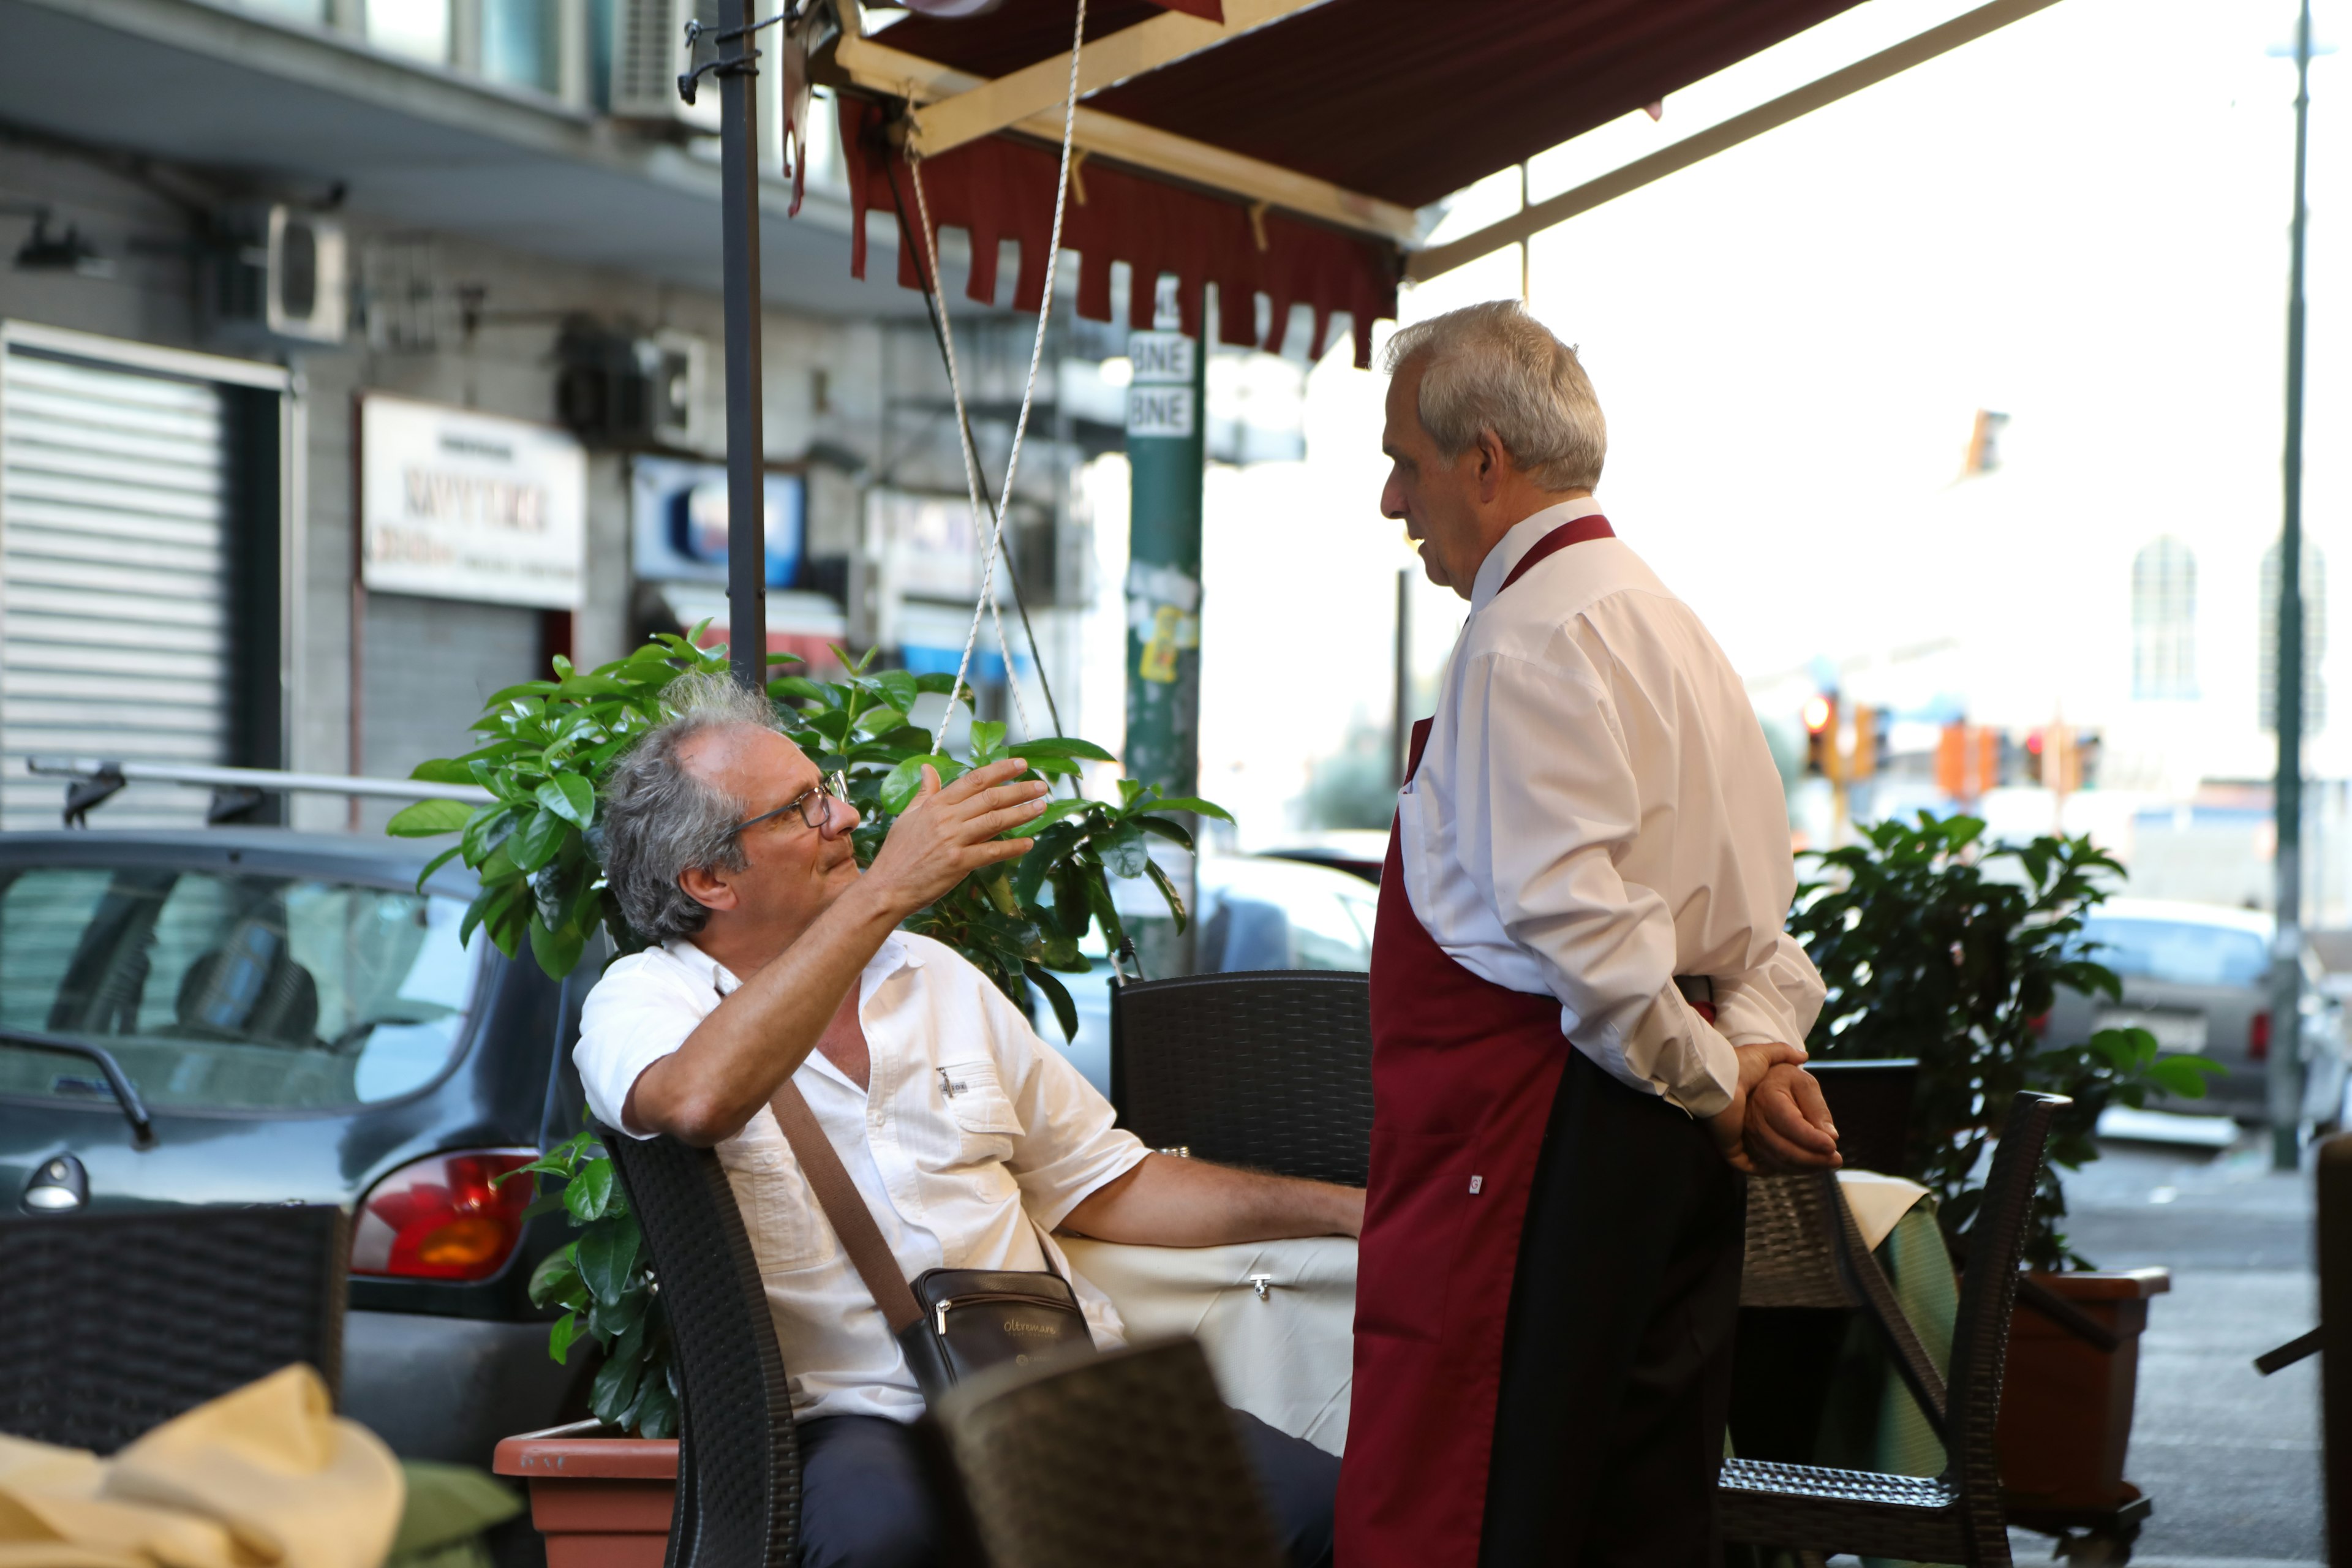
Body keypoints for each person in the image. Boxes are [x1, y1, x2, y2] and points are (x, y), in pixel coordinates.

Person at [571, 673, 1362, 1568]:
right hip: (853, 1419)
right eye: (801, 809)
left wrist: (1342, 1210)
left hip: (1051, 1388)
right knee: (888, 1545)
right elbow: (696, 1099)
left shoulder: (934, 976)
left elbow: (1106, 1183)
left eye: (825, 789)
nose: (846, 820)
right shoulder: (646, 1000)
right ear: (711, 877)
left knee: (1333, 1513)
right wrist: (884, 898)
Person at [1337, 301, 1842, 1568]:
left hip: (1544, 1131)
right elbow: (1757, 928)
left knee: (1501, 1504)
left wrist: (1725, 1084)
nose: (1393, 500)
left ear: (1486, 462)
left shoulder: (1527, 636)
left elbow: (1588, 936)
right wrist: (1757, 1051)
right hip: (1656, 1134)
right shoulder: (1673, 624)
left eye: (1405, 460)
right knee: (1643, 1504)